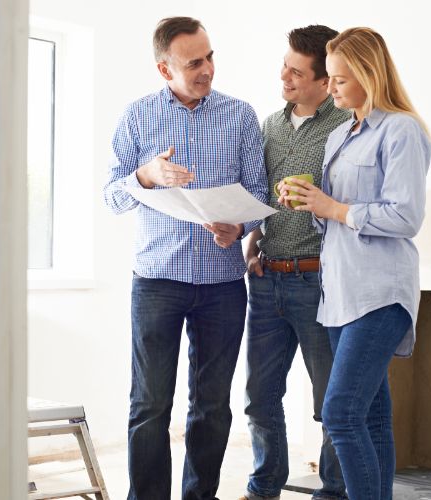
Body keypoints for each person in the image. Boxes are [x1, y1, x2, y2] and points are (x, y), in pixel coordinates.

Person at [103, 16, 267, 500]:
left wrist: (239, 226)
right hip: (157, 280)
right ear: (164, 68)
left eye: (210, 56)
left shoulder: (239, 116)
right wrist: (147, 176)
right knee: (150, 404)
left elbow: (259, 193)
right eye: (194, 62)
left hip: (222, 284)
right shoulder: (137, 116)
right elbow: (111, 196)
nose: (207, 69)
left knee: (213, 406)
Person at [277, 27, 431, 500]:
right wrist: (307, 202)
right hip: (339, 293)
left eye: (341, 79)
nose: (333, 87)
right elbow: (334, 214)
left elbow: (405, 216)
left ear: (369, 74)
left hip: (381, 293)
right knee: (370, 417)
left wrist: (333, 208)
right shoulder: (341, 133)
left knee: (340, 413)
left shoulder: (401, 129)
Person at [240, 26, 349, 500]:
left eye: (296, 71)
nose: (284, 76)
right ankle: (264, 487)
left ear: (325, 82)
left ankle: (334, 491)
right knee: (260, 399)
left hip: (320, 280)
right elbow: (259, 194)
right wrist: (253, 235)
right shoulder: (269, 124)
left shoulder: (346, 125)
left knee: (331, 402)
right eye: (284, 65)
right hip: (267, 280)